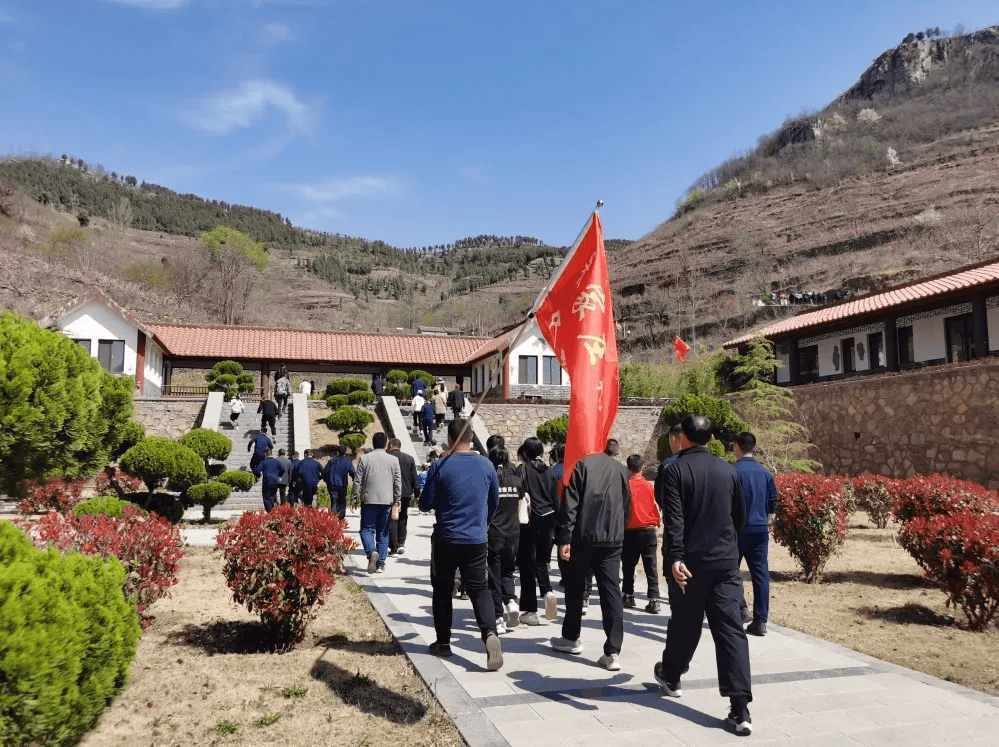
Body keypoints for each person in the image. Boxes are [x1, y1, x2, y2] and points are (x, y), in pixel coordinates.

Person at [657, 414, 753, 736]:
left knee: (685, 625)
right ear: (712, 440)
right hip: (725, 564)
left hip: (690, 565)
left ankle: (671, 675)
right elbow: (738, 517)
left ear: (682, 436)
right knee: (731, 632)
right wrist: (726, 548)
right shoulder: (729, 470)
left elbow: (674, 519)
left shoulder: (673, 470)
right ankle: (740, 708)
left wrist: (675, 558)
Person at [419, 418, 502, 670]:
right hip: (476, 539)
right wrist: (482, 524)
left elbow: (425, 503)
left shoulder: (440, 465)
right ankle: (489, 633)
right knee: (479, 589)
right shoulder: (487, 465)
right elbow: (494, 502)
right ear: (472, 438)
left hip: (446, 537)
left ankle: (443, 642)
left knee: (443, 590)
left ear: (450, 439)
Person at [550, 441, 631, 672]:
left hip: (584, 538)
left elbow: (570, 506)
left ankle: (571, 637)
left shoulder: (582, 466)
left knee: (576, 589)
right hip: (612, 540)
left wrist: (564, 538)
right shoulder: (620, 469)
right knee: (611, 592)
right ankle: (613, 651)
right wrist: (619, 530)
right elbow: (627, 505)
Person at [733, 432, 779, 636]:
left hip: (736, 529)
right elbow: (773, 500)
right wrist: (768, 518)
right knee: (760, 575)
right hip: (760, 528)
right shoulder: (765, 473)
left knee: (731, 571)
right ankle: (761, 621)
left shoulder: (732, 471)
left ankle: (741, 609)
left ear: (737, 446)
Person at [516, 437, 559, 624]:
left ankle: (530, 611)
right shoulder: (549, 471)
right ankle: (547, 591)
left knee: (527, 564)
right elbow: (555, 498)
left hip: (530, 520)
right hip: (549, 518)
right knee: (542, 561)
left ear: (525, 452)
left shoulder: (522, 469)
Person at [488, 446, 524, 633]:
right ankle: (511, 602)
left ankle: (497, 618)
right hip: (513, 532)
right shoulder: (517, 481)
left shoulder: (489, 479)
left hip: (494, 533)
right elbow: (518, 506)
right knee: (508, 571)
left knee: (494, 577)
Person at [355, 432, 401, 573]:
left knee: (366, 529)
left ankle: (371, 552)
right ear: (387, 443)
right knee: (383, 532)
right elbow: (397, 482)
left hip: (369, 500)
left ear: (373, 443)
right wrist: (397, 500)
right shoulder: (393, 460)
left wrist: (354, 498)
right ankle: (381, 563)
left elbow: (357, 481)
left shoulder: (364, 458)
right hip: (386, 501)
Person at [622, 454, 661, 614]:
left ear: (627, 468)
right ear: (643, 468)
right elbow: (653, 506)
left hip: (630, 530)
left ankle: (628, 595)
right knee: (651, 565)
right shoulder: (648, 485)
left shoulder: (625, 485)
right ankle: (654, 599)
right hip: (648, 528)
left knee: (628, 565)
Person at [387, 438, 418, 556]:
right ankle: (401, 543)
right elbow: (414, 477)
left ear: (390, 445)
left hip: (391, 493)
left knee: (393, 518)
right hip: (405, 493)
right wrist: (416, 493)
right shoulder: (409, 458)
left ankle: (393, 547)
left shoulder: (388, 458)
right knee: (403, 518)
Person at [654, 424, 684, 510]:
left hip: (674, 514)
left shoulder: (667, 465)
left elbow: (660, 494)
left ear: (672, 439)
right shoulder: (700, 460)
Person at [321, 445, 356, 519]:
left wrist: (327, 481)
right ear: (346, 452)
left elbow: (325, 472)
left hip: (332, 484)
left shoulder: (332, 460)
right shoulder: (347, 461)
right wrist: (355, 480)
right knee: (342, 501)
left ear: (337, 452)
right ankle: (341, 518)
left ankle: (334, 517)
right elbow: (352, 473)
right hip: (342, 485)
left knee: (334, 501)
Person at [257, 448, 285, 512]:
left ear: (265, 454)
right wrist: (279, 475)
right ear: (271, 453)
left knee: (266, 497)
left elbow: (257, 471)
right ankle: (274, 507)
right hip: (275, 481)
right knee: (273, 495)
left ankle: (270, 511)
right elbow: (283, 469)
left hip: (266, 481)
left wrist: (259, 475)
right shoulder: (277, 461)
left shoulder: (263, 462)